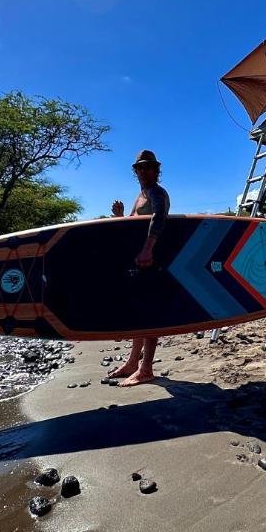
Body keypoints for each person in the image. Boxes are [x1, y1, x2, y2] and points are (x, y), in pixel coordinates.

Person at [107, 149, 170, 387]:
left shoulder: (156, 192)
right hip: (138, 263)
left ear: (156, 169)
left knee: (149, 313)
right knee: (139, 313)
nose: (143, 171)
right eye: (139, 167)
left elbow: (160, 217)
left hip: (152, 261)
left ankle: (146, 368)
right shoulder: (140, 195)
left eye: (147, 166)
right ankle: (133, 362)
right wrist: (121, 216)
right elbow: (135, 226)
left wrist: (148, 249)